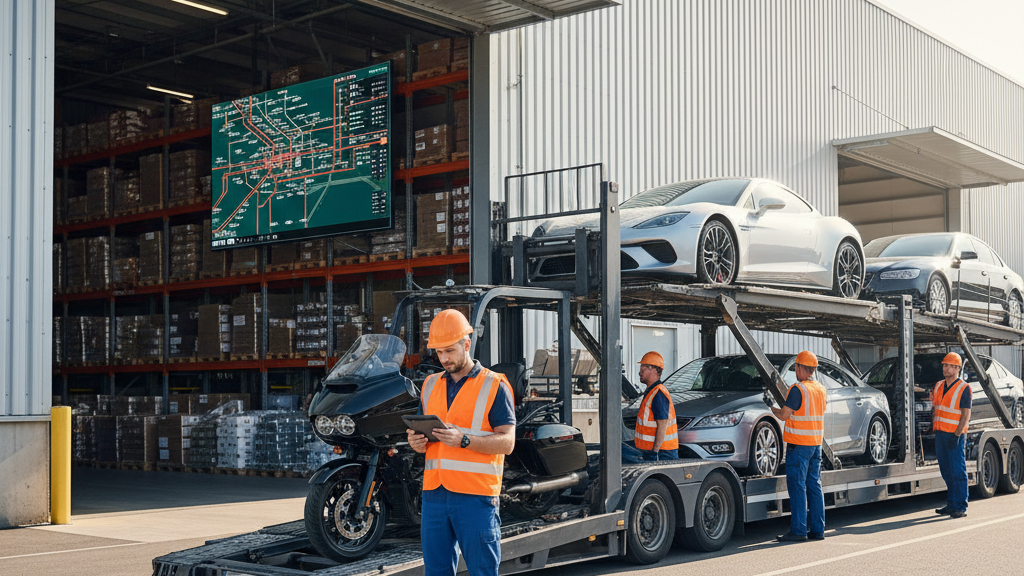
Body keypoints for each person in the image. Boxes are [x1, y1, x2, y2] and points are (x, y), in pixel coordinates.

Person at [406, 309, 516, 576]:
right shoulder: (430, 385)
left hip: (476, 497)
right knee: (436, 571)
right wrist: (415, 442)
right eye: (439, 352)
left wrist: (464, 440)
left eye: (450, 351)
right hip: (434, 494)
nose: (444, 358)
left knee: (481, 571)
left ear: (467, 344)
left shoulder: (495, 385)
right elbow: (422, 435)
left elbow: (507, 443)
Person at [770, 351, 826, 542]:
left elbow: (785, 415)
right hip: (815, 445)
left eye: (796, 367)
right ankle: (818, 530)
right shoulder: (820, 389)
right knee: (814, 485)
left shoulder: (798, 389)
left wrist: (771, 407)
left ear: (802, 368)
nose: (795, 371)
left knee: (797, 487)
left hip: (799, 447)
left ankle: (799, 530)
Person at [931, 352, 971, 518]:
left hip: (954, 435)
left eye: (949, 366)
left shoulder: (964, 388)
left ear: (957, 368)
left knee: (957, 471)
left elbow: (965, 414)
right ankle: (952, 503)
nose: (946, 368)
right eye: (944, 365)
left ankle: (960, 506)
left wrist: (957, 434)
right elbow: (936, 408)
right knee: (946, 470)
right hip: (940, 433)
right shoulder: (939, 385)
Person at [622, 351, 678, 463]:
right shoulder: (652, 392)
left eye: (643, 369)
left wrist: (655, 452)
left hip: (661, 453)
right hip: (652, 450)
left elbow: (662, 425)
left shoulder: (658, 393)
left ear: (652, 369)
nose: (639, 373)